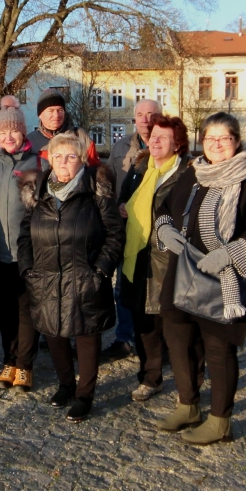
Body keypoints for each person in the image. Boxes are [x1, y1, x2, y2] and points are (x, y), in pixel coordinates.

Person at [155, 112, 246, 444]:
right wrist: (164, 229)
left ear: (237, 141)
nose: (217, 145)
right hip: (184, 273)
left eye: (224, 138)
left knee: (218, 349)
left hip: (227, 280)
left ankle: (220, 420)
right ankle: (188, 404)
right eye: (210, 138)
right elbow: (165, 206)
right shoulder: (193, 172)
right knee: (179, 339)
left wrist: (229, 255)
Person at [18, 130, 123, 422]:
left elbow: (115, 234)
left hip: (85, 277)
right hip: (47, 278)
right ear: (49, 160)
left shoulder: (96, 191)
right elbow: (25, 235)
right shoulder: (39, 194)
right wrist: (28, 270)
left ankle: (84, 395)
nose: (64, 162)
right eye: (58, 157)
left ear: (81, 160)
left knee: (86, 336)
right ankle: (66, 384)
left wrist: (100, 270)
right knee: (54, 334)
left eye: (71, 157)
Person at [117, 114, 201, 402]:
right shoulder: (141, 167)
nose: (154, 140)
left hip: (172, 261)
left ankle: (188, 386)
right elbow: (124, 197)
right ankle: (150, 378)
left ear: (177, 144)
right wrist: (122, 207)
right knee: (145, 325)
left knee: (178, 329)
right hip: (139, 256)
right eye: (153, 135)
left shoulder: (189, 174)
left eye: (162, 137)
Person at [0, 106, 45, 392]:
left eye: (14, 130)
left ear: (23, 131)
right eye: (4, 132)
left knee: (27, 309)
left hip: (28, 251)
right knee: (7, 309)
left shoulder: (37, 163)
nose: (9, 136)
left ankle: (25, 366)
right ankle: (9, 360)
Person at [103, 98, 163, 360]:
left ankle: (154, 338)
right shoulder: (120, 146)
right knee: (123, 284)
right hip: (125, 227)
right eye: (140, 114)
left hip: (157, 230)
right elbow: (108, 182)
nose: (145, 119)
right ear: (134, 118)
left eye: (151, 114)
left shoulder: (168, 145)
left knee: (154, 283)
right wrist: (115, 207)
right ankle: (124, 337)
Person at [27, 88, 70, 153]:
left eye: (60, 110)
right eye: (51, 111)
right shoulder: (29, 141)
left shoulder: (79, 136)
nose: (56, 115)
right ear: (40, 114)